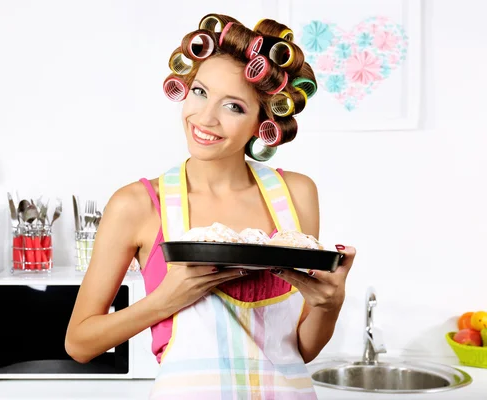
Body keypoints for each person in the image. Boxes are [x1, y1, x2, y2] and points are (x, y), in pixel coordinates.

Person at [65, 13, 356, 399]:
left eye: (233, 106)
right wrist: (164, 302)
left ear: (261, 122)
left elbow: (299, 350)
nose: (205, 117)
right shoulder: (137, 205)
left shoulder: (296, 195)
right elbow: (80, 343)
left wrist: (329, 305)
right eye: (199, 92)